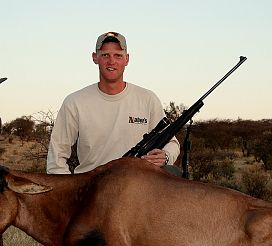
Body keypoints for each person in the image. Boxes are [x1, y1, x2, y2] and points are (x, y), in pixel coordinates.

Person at [47, 32, 180, 174]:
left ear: (127, 59)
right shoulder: (75, 102)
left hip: (138, 187)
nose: (111, 61)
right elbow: (57, 157)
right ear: (95, 58)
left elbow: (172, 143)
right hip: (92, 189)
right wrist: (71, 191)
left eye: (118, 55)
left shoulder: (147, 99)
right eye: (105, 55)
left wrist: (166, 156)